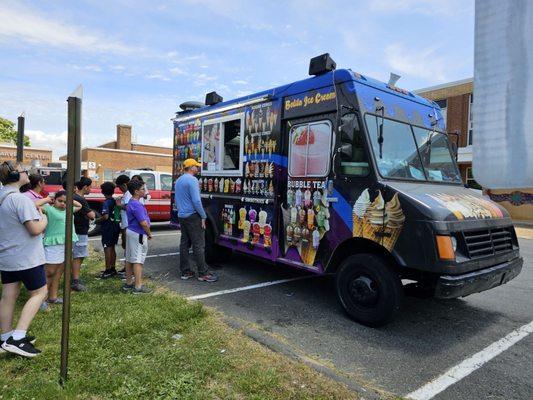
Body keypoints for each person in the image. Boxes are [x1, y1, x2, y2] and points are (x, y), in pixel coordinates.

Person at [0, 161, 48, 357]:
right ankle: (18, 339)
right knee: (39, 293)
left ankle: (5, 337)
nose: (27, 173)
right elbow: (35, 229)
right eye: (23, 171)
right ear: (14, 176)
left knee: (8, 295)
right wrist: (43, 218)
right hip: (26, 257)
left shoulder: (2, 197)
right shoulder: (20, 200)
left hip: (7, 256)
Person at [174, 158, 218, 282]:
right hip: (193, 216)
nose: (197, 168)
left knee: (184, 244)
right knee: (199, 245)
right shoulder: (192, 180)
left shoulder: (179, 180)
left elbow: (177, 200)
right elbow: (197, 201)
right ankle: (203, 273)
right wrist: (203, 216)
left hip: (182, 215)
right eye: (196, 166)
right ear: (191, 167)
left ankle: (185, 271)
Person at [41, 191, 81, 308]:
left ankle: (52, 297)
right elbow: (35, 205)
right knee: (49, 272)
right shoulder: (49, 209)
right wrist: (49, 198)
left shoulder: (69, 210)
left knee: (59, 273)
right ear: (55, 200)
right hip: (53, 245)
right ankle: (40, 299)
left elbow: (79, 206)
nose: (63, 204)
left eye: (65, 202)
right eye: (60, 201)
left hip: (67, 244)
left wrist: (69, 199)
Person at [124, 180, 152, 294]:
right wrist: (149, 233)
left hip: (131, 231)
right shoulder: (137, 205)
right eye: (142, 189)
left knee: (130, 258)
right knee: (138, 260)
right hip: (138, 233)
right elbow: (143, 223)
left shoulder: (131, 202)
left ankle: (129, 283)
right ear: (136, 191)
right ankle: (138, 286)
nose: (145, 191)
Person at [71, 177, 95, 292]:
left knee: (77, 255)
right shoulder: (80, 199)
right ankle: (75, 281)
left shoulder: (74, 197)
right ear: (85, 187)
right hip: (79, 230)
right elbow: (91, 215)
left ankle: (74, 278)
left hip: (76, 229)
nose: (91, 189)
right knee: (78, 256)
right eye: (90, 186)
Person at [99, 182, 121, 278]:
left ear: (103, 192)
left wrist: (97, 220)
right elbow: (116, 214)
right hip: (115, 226)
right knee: (112, 248)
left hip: (107, 228)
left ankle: (107, 270)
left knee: (107, 248)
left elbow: (105, 216)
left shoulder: (106, 202)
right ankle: (113, 268)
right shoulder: (114, 201)